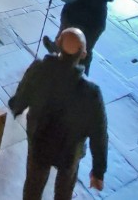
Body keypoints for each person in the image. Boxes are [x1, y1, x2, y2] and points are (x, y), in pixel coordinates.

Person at [9, 28, 108, 200]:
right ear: (83, 54)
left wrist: (16, 105)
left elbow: (20, 99)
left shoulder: (39, 70)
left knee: (33, 185)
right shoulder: (91, 93)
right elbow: (99, 134)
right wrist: (98, 171)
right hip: (69, 151)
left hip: (39, 143)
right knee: (64, 189)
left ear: (57, 44)